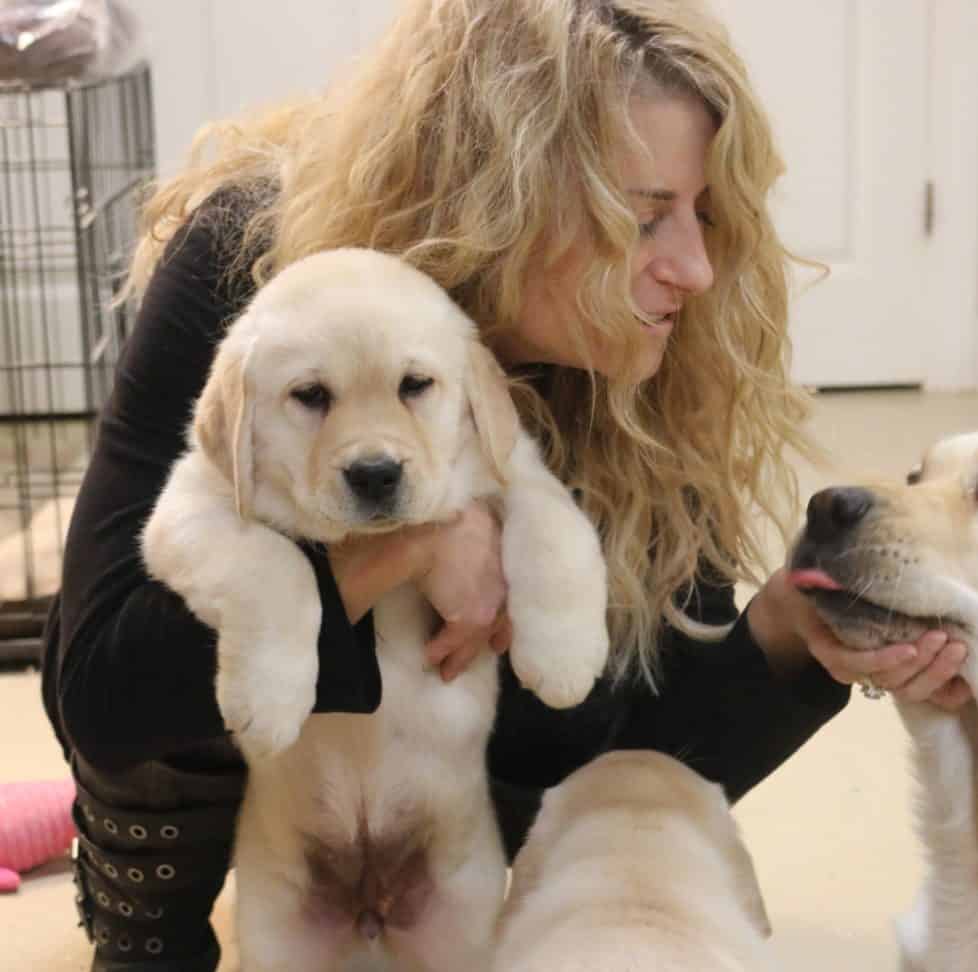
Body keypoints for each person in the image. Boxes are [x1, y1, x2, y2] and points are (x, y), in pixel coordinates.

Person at [41, 1, 971, 969]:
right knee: (214, 603)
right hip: (268, 783)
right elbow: (104, 686)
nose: (695, 266)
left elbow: (649, 756)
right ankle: (144, 918)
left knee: (586, 673)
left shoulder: (650, 379)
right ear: (503, 197)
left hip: (455, 814)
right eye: (646, 217)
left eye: (705, 213)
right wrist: (411, 543)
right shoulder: (260, 274)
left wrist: (786, 636)